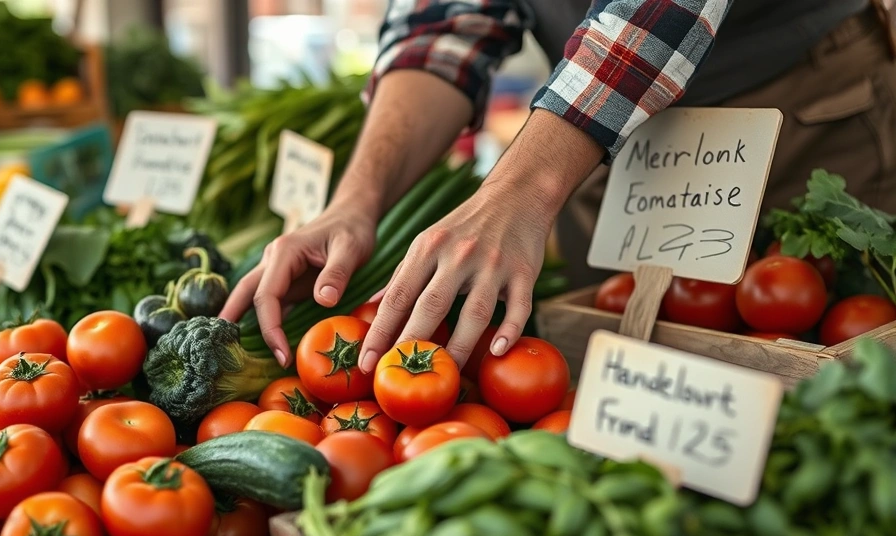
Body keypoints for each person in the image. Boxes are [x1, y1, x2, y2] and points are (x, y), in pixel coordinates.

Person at [222, 0, 896, 373]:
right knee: (626, 379)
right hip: (604, 141)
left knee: (839, 383)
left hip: (802, 101)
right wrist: (356, 202)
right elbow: (444, 22)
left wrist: (516, 190)